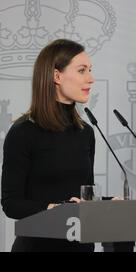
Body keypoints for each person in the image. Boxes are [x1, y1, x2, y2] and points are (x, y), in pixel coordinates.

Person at [1, 39, 95, 252]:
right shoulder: (23, 132)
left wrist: (104, 204)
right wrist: (55, 209)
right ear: (56, 76)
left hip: (81, 246)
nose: (91, 78)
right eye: (82, 71)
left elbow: (84, 195)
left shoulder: (86, 133)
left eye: (90, 70)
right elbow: (11, 203)